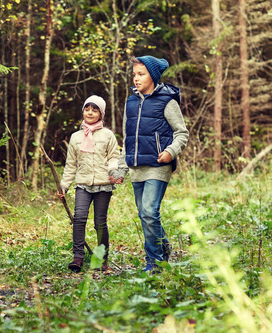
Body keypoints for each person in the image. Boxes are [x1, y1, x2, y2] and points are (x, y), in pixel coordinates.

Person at [118, 55, 189, 272]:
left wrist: (170, 151)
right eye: (134, 75)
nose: (136, 79)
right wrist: (121, 167)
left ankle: (155, 263)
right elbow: (126, 138)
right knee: (144, 214)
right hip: (136, 167)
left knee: (149, 211)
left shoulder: (167, 101)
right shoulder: (130, 103)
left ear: (153, 76)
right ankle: (163, 245)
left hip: (159, 165)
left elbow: (182, 133)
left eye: (141, 74)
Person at [59, 95, 122, 273]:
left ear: (101, 114)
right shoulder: (76, 137)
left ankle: (102, 258)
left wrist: (113, 172)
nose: (90, 113)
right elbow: (71, 164)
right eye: (87, 109)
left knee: (100, 222)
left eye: (94, 110)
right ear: (83, 111)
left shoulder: (108, 135)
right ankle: (78, 257)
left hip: (103, 184)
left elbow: (113, 157)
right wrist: (64, 185)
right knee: (79, 219)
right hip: (83, 184)